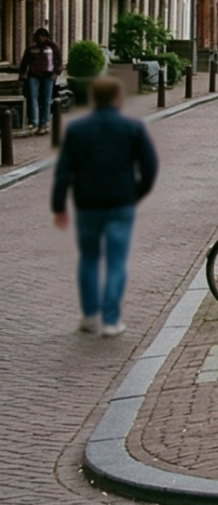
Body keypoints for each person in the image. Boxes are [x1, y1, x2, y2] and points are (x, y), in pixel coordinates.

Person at [52, 76, 158, 337]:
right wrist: (136, 193)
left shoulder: (77, 130)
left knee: (89, 258)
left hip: (87, 204)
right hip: (121, 202)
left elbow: (63, 172)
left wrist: (59, 206)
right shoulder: (132, 128)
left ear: (93, 98)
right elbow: (150, 166)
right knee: (116, 261)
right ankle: (111, 320)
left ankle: (90, 316)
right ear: (117, 98)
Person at [19, 25, 60, 131]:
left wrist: (56, 73)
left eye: (43, 36)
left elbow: (59, 61)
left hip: (49, 76)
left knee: (47, 99)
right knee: (33, 98)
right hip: (34, 76)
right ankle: (34, 123)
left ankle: (44, 123)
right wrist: (22, 75)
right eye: (39, 36)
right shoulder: (31, 49)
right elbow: (24, 63)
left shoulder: (53, 48)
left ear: (47, 37)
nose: (41, 38)